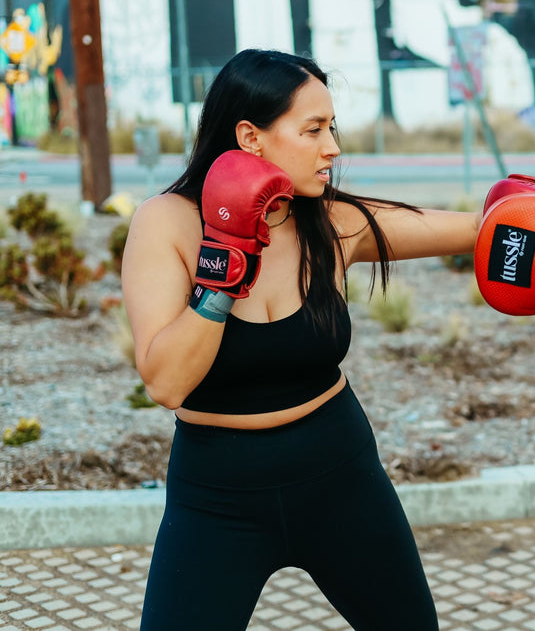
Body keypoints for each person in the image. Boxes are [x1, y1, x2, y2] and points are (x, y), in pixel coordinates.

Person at [121, 48, 477, 630]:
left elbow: (473, 230)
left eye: (331, 127)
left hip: (340, 475)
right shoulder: (166, 222)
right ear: (250, 137)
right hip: (218, 496)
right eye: (313, 129)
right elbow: (166, 382)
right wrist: (224, 268)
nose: (332, 147)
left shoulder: (331, 221)